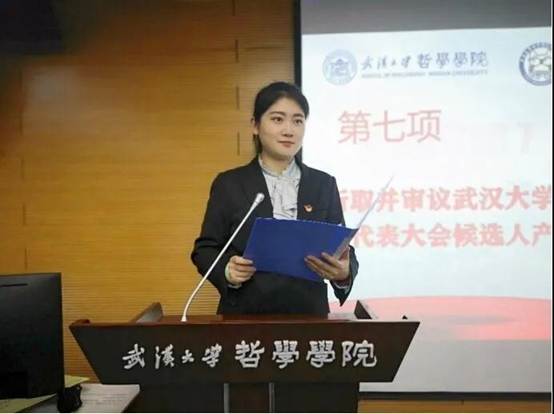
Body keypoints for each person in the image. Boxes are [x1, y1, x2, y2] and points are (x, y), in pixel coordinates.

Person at [191, 81, 359, 315]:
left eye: (298, 121)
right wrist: (227, 271)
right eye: (278, 119)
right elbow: (205, 249)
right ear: (255, 125)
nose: (289, 130)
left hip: (309, 316)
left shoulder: (323, 184)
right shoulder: (229, 184)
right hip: (245, 315)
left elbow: (342, 248)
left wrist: (343, 273)